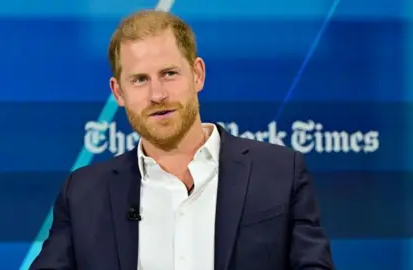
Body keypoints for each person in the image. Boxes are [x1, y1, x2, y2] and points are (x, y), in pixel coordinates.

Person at [30, 9, 335, 270]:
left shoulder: (280, 172)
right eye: (139, 80)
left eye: (169, 74)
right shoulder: (84, 193)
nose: (157, 94)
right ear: (118, 93)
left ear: (197, 74)